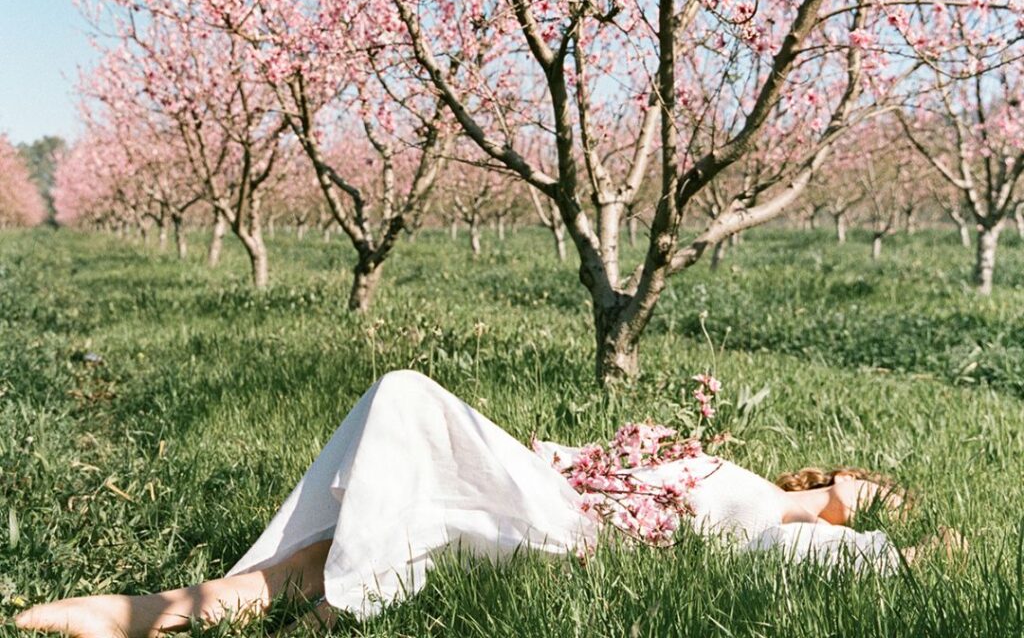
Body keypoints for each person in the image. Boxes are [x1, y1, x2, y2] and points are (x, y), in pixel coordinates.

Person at [13, 370, 948, 638]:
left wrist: (917, 549)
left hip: (586, 544)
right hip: (556, 499)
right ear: (825, 473)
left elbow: (854, 562)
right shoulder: (722, 466)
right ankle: (207, 600)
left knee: (409, 400)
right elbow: (587, 460)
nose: (866, 497)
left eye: (874, 500)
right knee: (404, 420)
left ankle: (272, 598)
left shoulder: (773, 541)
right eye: (865, 482)